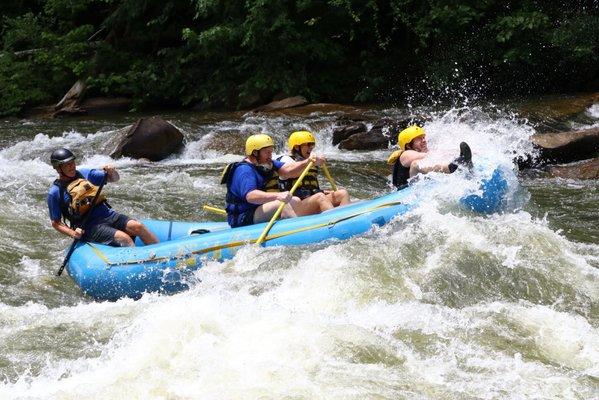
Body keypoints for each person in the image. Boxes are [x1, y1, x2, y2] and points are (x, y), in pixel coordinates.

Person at [47, 148, 159, 247]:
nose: (72, 166)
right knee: (124, 238)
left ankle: (162, 256)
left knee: (138, 226)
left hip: (108, 215)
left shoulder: (85, 174)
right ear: (58, 168)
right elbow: (56, 223)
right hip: (89, 226)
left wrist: (111, 172)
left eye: (72, 162)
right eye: (67, 164)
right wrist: (73, 233)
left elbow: (114, 178)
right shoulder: (55, 192)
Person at [221, 133, 324, 228]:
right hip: (242, 216)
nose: (270, 155)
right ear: (255, 153)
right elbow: (250, 196)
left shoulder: (268, 163)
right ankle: (301, 229)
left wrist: (309, 161)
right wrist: (277, 195)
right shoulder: (244, 170)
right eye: (267, 152)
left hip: (257, 210)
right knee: (281, 203)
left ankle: (292, 222)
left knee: (295, 200)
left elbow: (288, 170)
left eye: (271, 151)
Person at [278, 130, 350, 216]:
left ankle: (347, 219)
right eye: (308, 144)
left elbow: (310, 187)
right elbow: (291, 173)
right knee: (320, 197)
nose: (311, 147)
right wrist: (308, 162)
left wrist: (324, 191)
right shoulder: (286, 160)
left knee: (342, 193)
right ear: (297, 147)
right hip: (294, 207)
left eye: (312, 144)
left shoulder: (310, 161)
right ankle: (336, 222)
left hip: (310, 201)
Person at [387, 125, 473, 190]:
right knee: (415, 164)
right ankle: (452, 167)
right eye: (419, 139)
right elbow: (431, 155)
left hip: (416, 187)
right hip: (404, 191)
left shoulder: (421, 152)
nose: (424, 141)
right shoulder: (406, 154)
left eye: (423, 137)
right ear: (408, 145)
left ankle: (461, 163)